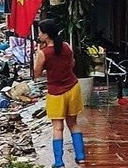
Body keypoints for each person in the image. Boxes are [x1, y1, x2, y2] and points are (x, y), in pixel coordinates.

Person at [33, 19, 86, 168]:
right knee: (73, 123)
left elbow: (36, 74)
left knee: (57, 127)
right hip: (73, 88)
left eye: (40, 32)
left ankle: (58, 162)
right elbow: (72, 64)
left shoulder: (43, 53)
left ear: (46, 35)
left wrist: (38, 54)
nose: (39, 35)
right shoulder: (67, 46)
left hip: (56, 92)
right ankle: (81, 157)